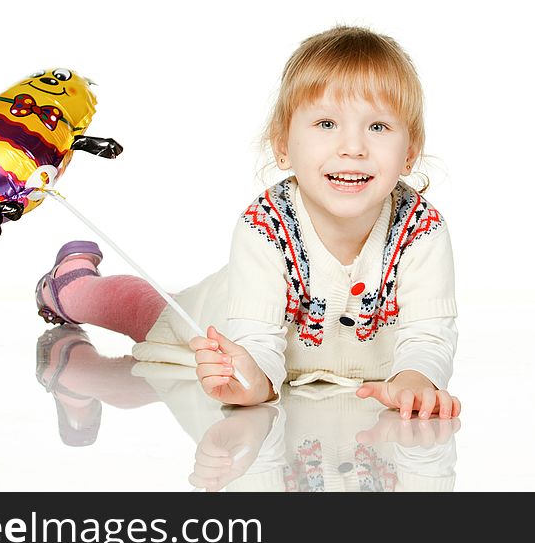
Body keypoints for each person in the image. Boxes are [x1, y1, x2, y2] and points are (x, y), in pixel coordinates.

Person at [35, 25, 461, 418]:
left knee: (154, 354)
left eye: (379, 126)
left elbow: (428, 335)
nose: (353, 146)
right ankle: (72, 288)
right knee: (151, 317)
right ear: (282, 148)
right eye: (326, 123)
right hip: (226, 316)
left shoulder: (421, 231)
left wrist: (416, 380)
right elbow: (256, 342)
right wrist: (254, 380)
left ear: (409, 153)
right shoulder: (265, 228)